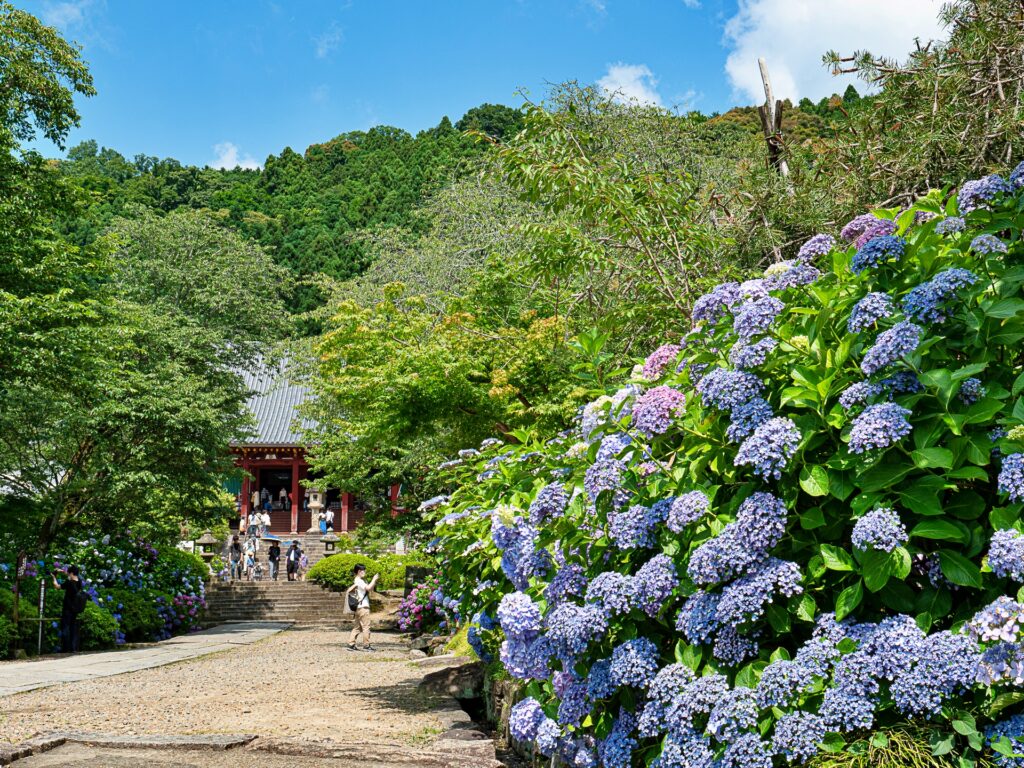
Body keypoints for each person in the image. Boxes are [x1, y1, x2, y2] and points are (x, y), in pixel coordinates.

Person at [346, 564, 379, 651]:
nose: (364, 572)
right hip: (363, 607)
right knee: (366, 626)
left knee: (357, 627)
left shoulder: (357, 580)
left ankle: (351, 644)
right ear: (358, 572)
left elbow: (369, 589)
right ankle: (366, 645)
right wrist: (374, 579)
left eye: (364, 570)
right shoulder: (359, 581)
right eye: (362, 571)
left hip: (358, 607)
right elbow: (368, 588)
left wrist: (373, 582)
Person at [53, 565, 84, 653]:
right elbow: (70, 576)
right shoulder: (79, 582)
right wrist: (62, 571)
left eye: (69, 573)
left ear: (71, 573)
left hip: (67, 609)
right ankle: (73, 648)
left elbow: (57, 586)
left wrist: (54, 577)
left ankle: (66, 648)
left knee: (65, 628)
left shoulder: (69, 583)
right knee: (73, 628)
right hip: (75, 609)